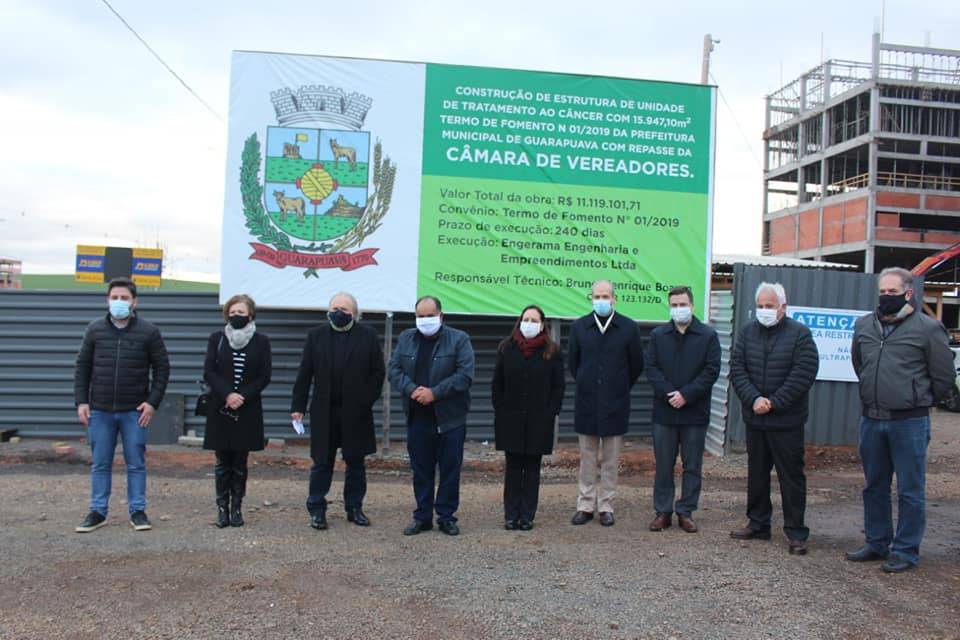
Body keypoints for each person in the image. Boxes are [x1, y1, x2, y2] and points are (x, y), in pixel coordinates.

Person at [847, 267, 955, 573]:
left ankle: (906, 550)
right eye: (883, 291)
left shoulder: (927, 328)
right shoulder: (864, 325)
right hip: (872, 419)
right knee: (875, 486)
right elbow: (860, 364)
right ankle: (877, 542)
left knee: (910, 489)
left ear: (909, 294)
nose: (886, 297)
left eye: (892, 292)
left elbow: (944, 375)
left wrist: (918, 398)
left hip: (909, 422)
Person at [73, 277, 169, 533]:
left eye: (124, 298)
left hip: (134, 412)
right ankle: (97, 511)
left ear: (134, 301)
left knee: (136, 463)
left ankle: (137, 510)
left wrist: (152, 403)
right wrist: (81, 401)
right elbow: (82, 367)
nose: (119, 302)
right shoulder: (94, 330)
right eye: (114, 297)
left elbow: (162, 370)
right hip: (100, 410)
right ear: (107, 300)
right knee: (100, 463)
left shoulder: (149, 332)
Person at [729, 282, 818, 555]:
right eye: (761, 306)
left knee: (790, 477)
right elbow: (737, 368)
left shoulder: (800, 334)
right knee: (757, 473)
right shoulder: (747, 333)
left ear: (783, 308)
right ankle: (758, 523)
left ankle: (795, 532)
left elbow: (804, 372)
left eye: (770, 306)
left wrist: (774, 403)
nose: (764, 311)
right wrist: (754, 399)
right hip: (755, 419)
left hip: (786, 421)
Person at [292, 292, 385, 530]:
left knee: (355, 462)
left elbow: (378, 373)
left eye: (344, 309)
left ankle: (354, 507)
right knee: (322, 462)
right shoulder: (316, 335)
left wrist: (366, 400)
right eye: (335, 308)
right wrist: (298, 407)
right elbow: (305, 374)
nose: (339, 313)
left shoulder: (368, 335)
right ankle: (316, 509)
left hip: (356, 412)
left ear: (354, 313)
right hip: (325, 411)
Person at [388, 295, 475, 536]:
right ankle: (422, 516)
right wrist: (412, 390)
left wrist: (434, 393)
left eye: (429, 315)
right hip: (418, 417)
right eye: (420, 316)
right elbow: (393, 369)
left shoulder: (459, 339)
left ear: (441, 316)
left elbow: (465, 375)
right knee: (421, 470)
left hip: (450, 418)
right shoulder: (406, 338)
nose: (425, 320)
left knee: (449, 470)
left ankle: (446, 517)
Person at [645, 285, 721, 534]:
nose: (679, 309)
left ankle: (686, 511)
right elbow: (652, 368)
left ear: (693, 306)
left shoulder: (708, 336)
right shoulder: (658, 335)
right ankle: (663, 511)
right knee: (664, 464)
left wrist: (686, 395)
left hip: (694, 412)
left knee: (692, 465)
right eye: (674, 305)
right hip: (665, 412)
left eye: (683, 304)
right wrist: (670, 394)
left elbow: (711, 371)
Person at [568, 280, 644, 527]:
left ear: (614, 299)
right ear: (591, 298)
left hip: (616, 403)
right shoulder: (580, 327)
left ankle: (606, 505)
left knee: (610, 459)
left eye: (605, 296)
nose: (601, 300)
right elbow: (573, 364)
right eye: (596, 296)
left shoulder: (629, 328)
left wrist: (619, 387)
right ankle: (585, 504)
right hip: (587, 402)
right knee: (587, 457)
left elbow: (636, 365)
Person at [492, 305, 565, 530]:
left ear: (542, 325)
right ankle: (511, 515)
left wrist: (550, 412)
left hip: (538, 420)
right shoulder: (506, 348)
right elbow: (497, 383)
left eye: (534, 320)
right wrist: (501, 409)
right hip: (511, 419)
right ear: (519, 321)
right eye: (526, 319)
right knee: (513, 468)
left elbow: (558, 386)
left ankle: (527, 516)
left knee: (532, 470)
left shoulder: (552, 351)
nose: (529, 324)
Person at [202, 294, 272, 528]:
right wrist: (228, 394)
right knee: (222, 463)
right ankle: (222, 508)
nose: (236, 316)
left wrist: (243, 395)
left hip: (247, 409)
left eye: (241, 313)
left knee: (240, 463)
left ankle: (237, 509)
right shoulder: (217, 338)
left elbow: (264, 376)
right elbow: (209, 371)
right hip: (221, 407)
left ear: (250, 315)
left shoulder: (262, 341)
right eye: (232, 313)